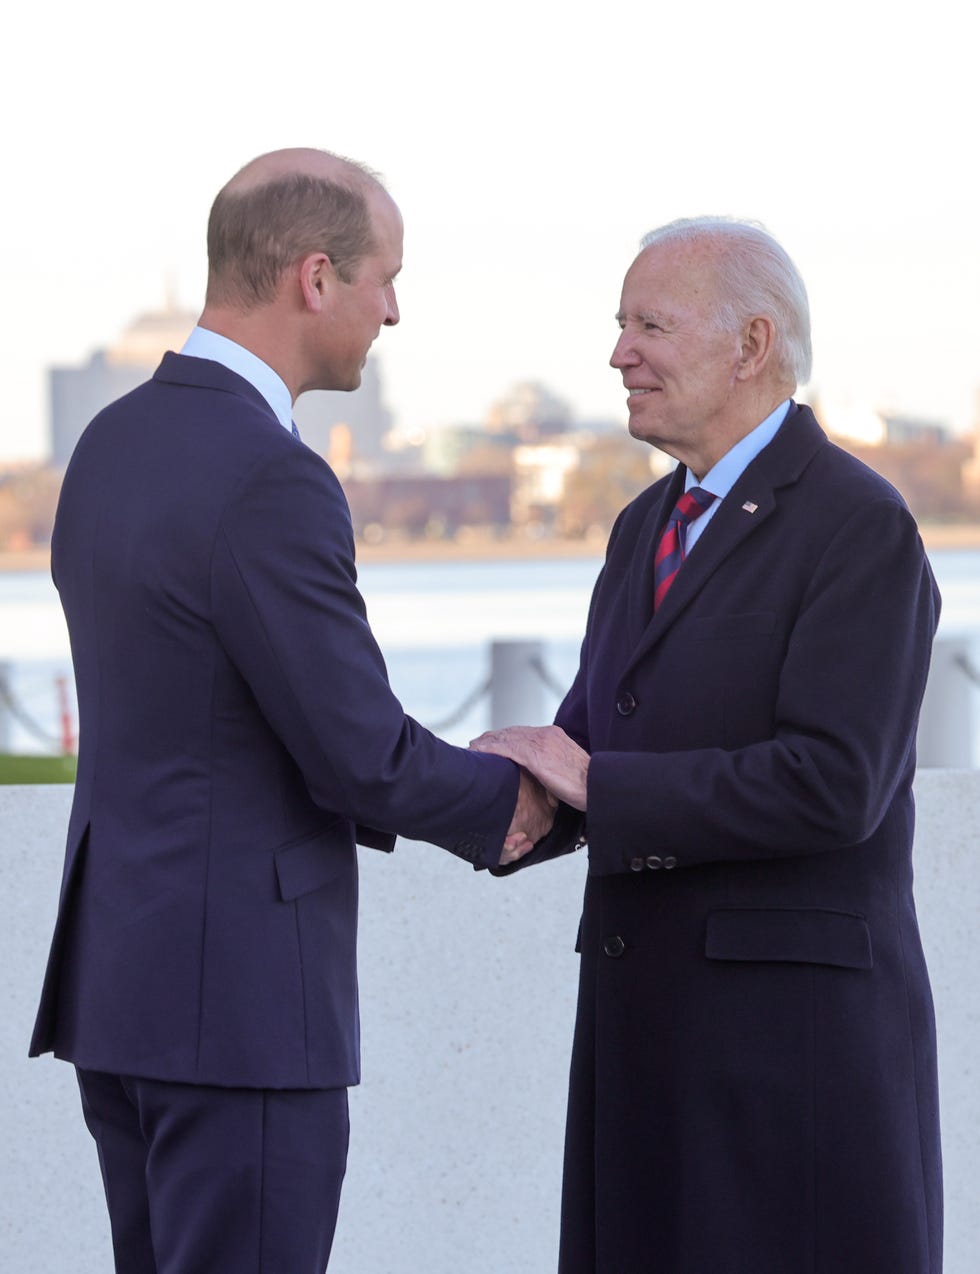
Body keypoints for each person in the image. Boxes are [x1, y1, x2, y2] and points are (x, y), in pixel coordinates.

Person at [29, 147, 553, 1274]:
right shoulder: (268, 473)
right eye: (385, 278)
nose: (394, 311)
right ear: (315, 277)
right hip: (238, 1009)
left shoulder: (110, 444)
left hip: (120, 988)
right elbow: (359, 751)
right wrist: (534, 802)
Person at [472, 217, 943, 1273]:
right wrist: (442, 795)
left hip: (790, 1064)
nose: (617, 353)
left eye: (649, 323)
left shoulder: (857, 525)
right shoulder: (642, 524)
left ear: (750, 342)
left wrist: (593, 781)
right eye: (617, 324)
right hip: (645, 1046)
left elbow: (835, 783)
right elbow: (581, 753)